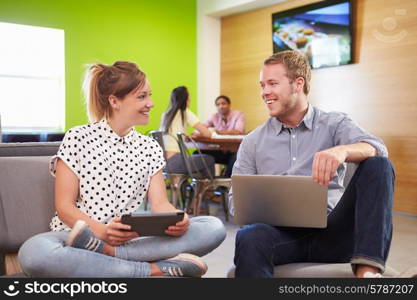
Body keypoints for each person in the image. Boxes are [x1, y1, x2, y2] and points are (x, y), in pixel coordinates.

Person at [18, 61, 226, 277]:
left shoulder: (150, 147)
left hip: (129, 240)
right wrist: (102, 232)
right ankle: (150, 270)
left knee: (213, 227)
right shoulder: (77, 138)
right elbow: (64, 207)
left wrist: (178, 218)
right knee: (35, 253)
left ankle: (112, 255)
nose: (151, 103)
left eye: (149, 95)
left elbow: (160, 204)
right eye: (142, 96)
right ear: (114, 101)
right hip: (76, 239)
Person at [230, 50, 396, 278]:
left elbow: (379, 148)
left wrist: (343, 150)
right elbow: (234, 204)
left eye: (272, 83)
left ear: (298, 84)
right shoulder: (252, 141)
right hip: (280, 238)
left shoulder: (334, 123)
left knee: (379, 165)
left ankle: (368, 275)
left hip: (334, 234)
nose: (264, 92)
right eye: (262, 85)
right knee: (249, 236)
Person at [160, 86, 215, 178]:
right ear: (185, 98)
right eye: (189, 95)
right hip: (176, 161)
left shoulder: (166, 115)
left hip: (162, 162)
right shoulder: (185, 112)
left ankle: (197, 188)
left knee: (199, 159)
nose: (190, 98)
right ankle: (208, 190)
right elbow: (207, 134)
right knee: (209, 159)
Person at [199, 95, 246, 177]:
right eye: (218, 104)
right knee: (198, 153)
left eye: (223, 103)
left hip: (234, 151)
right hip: (220, 151)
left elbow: (238, 131)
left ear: (229, 105)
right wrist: (197, 132)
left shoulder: (238, 114)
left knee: (237, 156)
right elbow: (203, 127)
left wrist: (218, 132)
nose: (221, 106)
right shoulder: (214, 116)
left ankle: (225, 183)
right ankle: (207, 183)